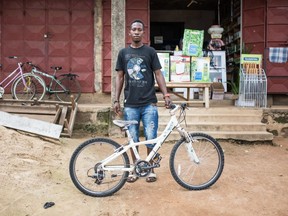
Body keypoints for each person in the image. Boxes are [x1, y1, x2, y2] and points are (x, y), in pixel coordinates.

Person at [113, 19, 171, 183]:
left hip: (149, 103)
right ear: (129, 32)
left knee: (151, 136)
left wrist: (166, 95)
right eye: (134, 29)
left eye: (139, 29)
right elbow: (120, 77)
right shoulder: (123, 53)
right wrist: (116, 100)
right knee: (133, 139)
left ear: (143, 33)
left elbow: (158, 74)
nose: (137, 32)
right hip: (130, 104)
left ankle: (149, 169)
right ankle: (134, 168)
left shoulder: (150, 52)